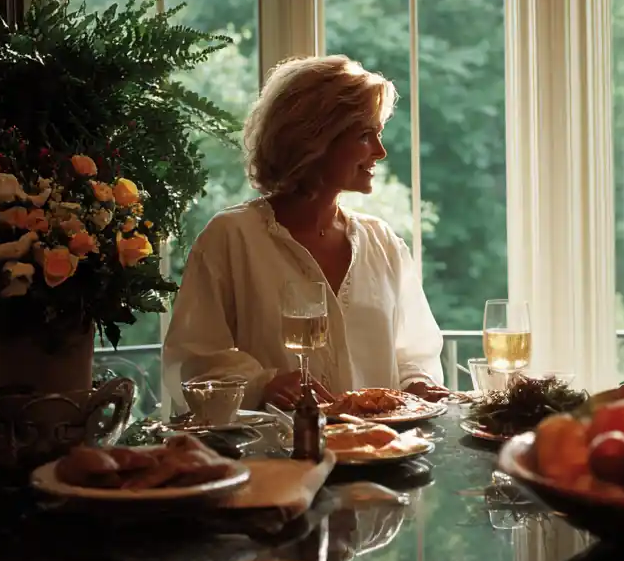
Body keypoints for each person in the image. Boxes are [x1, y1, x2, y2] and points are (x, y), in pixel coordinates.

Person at [163, 55, 447, 411]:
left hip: (381, 455)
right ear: (314, 139)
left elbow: (413, 353)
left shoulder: (382, 242)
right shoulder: (231, 238)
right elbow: (192, 361)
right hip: (278, 459)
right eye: (364, 135)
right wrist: (264, 385)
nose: (380, 151)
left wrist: (418, 384)